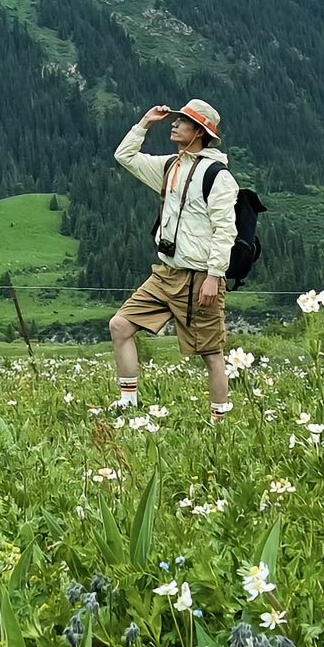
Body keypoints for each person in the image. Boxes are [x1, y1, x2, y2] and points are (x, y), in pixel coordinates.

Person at [110, 99, 238, 422]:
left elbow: (226, 231)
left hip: (199, 279)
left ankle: (220, 423)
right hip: (165, 273)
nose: (175, 123)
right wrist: (144, 123)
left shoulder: (217, 177)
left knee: (211, 354)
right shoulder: (171, 167)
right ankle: (128, 402)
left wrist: (214, 275)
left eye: (182, 121)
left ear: (199, 132)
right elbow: (124, 156)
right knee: (120, 325)